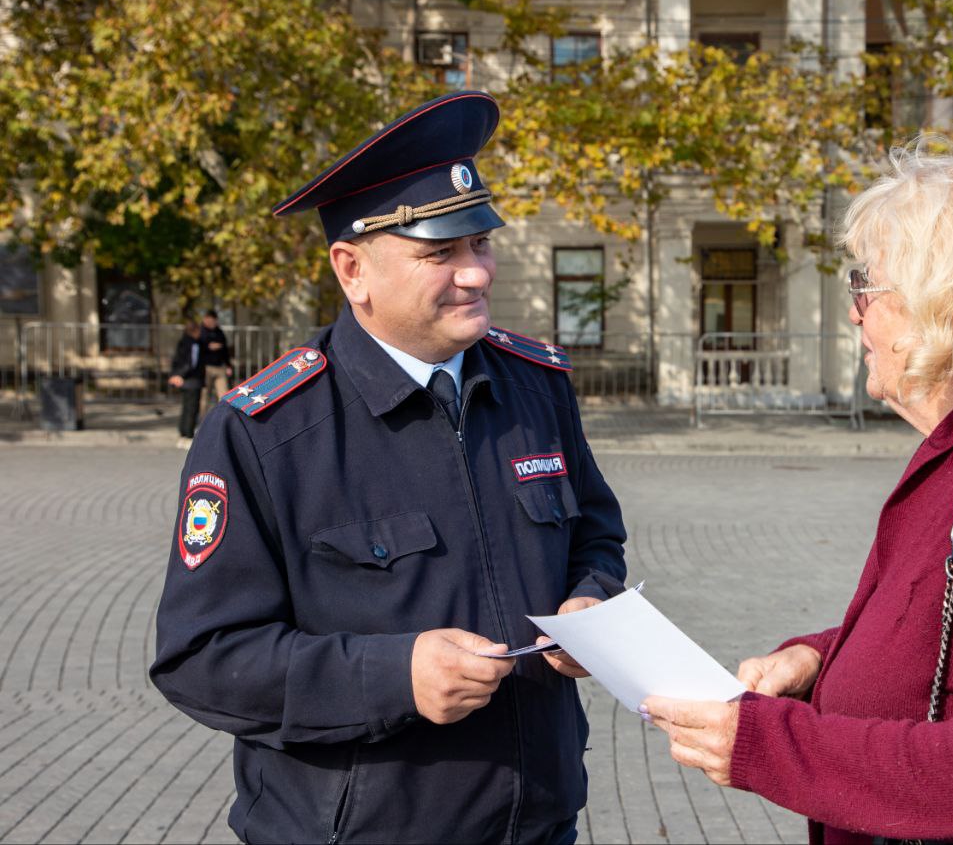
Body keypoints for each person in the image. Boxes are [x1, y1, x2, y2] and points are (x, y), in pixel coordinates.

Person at [150, 91, 627, 844]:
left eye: (480, 243)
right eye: (441, 253)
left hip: (538, 823)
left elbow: (595, 537)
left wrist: (589, 605)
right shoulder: (267, 432)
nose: (475, 275)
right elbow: (202, 658)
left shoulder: (536, 387)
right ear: (352, 270)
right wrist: (394, 675)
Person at [643, 146, 953, 843]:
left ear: (948, 304)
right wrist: (823, 659)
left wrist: (770, 744)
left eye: (868, 288)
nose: (855, 315)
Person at [167, 319, 204, 442]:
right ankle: (188, 435)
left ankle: (182, 433)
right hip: (191, 380)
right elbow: (191, 363)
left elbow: (176, 360)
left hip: (183, 379)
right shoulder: (194, 344)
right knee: (192, 408)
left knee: (185, 407)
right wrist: (181, 375)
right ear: (195, 331)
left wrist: (174, 374)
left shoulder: (182, 342)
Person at [198, 309, 232, 418]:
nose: (213, 323)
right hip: (205, 367)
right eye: (210, 320)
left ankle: (223, 418)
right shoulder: (200, 332)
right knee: (204, 396)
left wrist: (228, 365)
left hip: (220, 367)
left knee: (224, 395)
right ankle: (203, 420)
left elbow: (225, 350)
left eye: (214, 321)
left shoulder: (219, 332)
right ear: (205, 319)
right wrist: (208, 347)